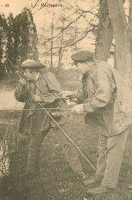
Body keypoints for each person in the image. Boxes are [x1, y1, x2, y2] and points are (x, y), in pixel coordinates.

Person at [60, 51, 132, 195]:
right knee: (102, 147)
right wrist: (72, 94)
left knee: (113, 150)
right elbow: (90, 93)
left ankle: (108, 185)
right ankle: (99, 177)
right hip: (107, 115)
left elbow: (103, 97)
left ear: (86, 63)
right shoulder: (90, 72)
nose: (76, 68)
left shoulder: (101, 71)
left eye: (77, 65)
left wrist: (82, 107)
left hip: (120, 113)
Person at [14, 58, 87, 187]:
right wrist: (21, 85)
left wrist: (42, 98)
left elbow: (58, 94)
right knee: (34, 144)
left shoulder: (48, 76)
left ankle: (79, 171)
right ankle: (30, 173)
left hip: (56, 113)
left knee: (66, 143)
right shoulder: (27, 82)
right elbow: (20, 98)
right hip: (40, 117)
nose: (23, 75)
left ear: (32, 71)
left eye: (25, 72)